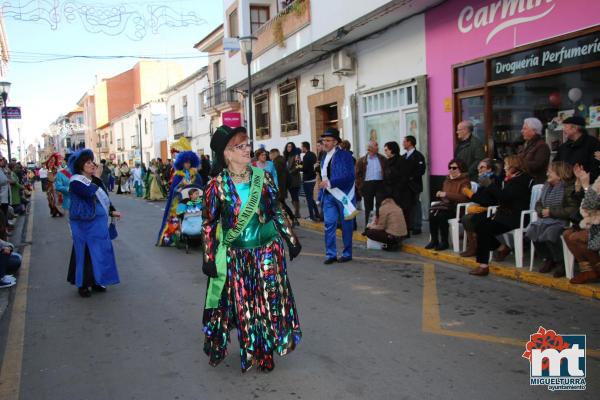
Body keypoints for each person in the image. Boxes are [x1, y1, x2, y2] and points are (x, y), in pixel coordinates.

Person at [201, 125, 302, 372]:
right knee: (246, 307)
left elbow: (276, 210)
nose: (248, 149)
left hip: (267, 252)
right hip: (238, 257)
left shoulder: (263, 177)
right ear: (226, 153)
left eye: (248, 144)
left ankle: (266, 351)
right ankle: (252, 350)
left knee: (269, 301)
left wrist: (290, 238)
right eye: (241, 146)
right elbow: (209, 224)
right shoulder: (216, 186)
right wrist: (209, 257)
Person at [67, 149, 121, 298]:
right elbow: (89, 192)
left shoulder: (95, 180)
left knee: (101, 252)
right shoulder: (76, 181)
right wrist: (96, 178)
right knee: (85, 253)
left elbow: (104, 198)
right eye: (88, 162)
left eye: (92, 162)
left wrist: (112, 211)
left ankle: (99, 280)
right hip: (83, 223)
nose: (92, 165)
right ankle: (83, 284)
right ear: (81, 166)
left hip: (98, 223)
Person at [470, 155, 532, 276]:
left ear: (515, 167)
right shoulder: (509, 179)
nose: (505, 168)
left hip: (515, 217)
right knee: (478, 225)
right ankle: (502, 247)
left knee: (484, 229)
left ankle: (483, 265)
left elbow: (504, 197)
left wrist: (490, 185)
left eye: (507, 165)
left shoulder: (521, 180)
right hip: (504, 214)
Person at [526, 161, 579, 277]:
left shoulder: (568, 188)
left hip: (562, 221)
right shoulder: (546, 186)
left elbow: (572, 209)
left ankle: (560, 261)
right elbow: (539, 203)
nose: (547, 174)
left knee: (550, 234)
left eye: (550, 172)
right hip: (546, 220)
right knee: (531, 231)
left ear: (559, 175)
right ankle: (549, 258)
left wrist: (551, 212)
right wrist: (541, 211)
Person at [319, 128, 357, 264]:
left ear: (335, 142)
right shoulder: (324, 157)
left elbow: (349, 176)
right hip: (329, 196)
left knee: (346, 225)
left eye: (328, 141)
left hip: (343, 195)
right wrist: (320, 195)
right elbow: (324, 177)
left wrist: (330, 182)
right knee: (329, 224)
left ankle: (347, 253)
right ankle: (331, 254)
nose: (325, 143)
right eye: (324, 140)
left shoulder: (345, 156)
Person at [156, 151, 203, 246]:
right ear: (181, 162)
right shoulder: (178, 175)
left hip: (194, 202)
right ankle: (176, 237)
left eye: (189, 162)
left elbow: (200, 187)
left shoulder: (196, 175)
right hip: (180, 202)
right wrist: (180, 187)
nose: (188, 164)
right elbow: (174, 190)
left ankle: (196, 236)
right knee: (176, 217)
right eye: (186, 162)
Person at [563, 165, 600, 284]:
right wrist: (579, 185)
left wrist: (585, 185)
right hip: (593, 221)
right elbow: (584, 205)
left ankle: (596, 269)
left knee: (576, 237)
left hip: (596, 224)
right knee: (567, 234)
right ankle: (588, 271)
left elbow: (590, 204)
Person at [425, 159, 470, 251]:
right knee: (432, 215)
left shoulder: (465, 182)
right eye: (450, 167)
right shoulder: (447, 180)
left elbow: (463, 198)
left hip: (457, 209)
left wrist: (446, 194)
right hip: (446, 206)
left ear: (461, 169)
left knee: (442, 216)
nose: (451, 170)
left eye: (454, 168)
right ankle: (434, 240)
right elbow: (444, 196)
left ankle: (444, 242)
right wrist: (441, 194)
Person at [459, 158, 500, 257]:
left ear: (489, 169)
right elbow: (480, 198)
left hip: (492, 210)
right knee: (467, 217)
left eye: (482, 167)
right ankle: (474, 246)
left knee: (469, 219)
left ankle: (475, 247)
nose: (479, 170)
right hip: (484, 208)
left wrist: (470, 194)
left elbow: (487, 200)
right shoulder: (483, 180)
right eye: (478, 168)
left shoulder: (493, 180)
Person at [555, 115, 600, 182]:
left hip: (585, 185)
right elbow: (555, 164)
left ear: (575, 128)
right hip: (564, 185)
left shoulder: (593, 144)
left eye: (565, 126)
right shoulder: (564, 147)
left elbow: (595, 168)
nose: (563, 129)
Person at [356, 140, 385, 230]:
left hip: (380, 184)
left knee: (380, 206)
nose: (378, 147)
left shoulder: (382, 159)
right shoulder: (362, 160)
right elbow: (357, 174)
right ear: (370, 148)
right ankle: (368, 227)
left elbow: (387, 171)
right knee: (369, 208)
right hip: (367, 185)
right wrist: (360, 186)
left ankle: (379, 226)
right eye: (376, 145)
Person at [383, 141, 412, 233]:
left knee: (402, 212)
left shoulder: (402, 161)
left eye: (387, 150)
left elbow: (404, 177)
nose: (385, 152)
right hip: (390, 192)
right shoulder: (387, 161)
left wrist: (397, 188)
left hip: (401, 192)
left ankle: (403, 231)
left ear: (392, 150)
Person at [402, 135, 427, 235]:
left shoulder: (418, 156)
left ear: (410, 143)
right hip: (405, 187)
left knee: (416, 205)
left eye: (404, 141)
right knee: (407, 206)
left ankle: (417, 226)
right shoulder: (403, 156)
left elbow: (421, 170)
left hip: (414, 186)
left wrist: (410, 177)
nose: (403, 143)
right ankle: (409, 225)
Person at [518, 117, 551, 184]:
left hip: (535, 183)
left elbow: (537, 165)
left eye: (525, 128)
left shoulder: (542, 146)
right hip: (525, 182)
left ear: (534, 130)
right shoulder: (526, 144)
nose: (522, 131)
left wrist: (517, 163)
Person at [270, 148, 297, 225]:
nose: (269, 156)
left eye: (270, 154)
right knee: (281, 204)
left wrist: (277, 187)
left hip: (279, 187)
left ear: (274, 154)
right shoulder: (281, 161)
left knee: (281, 204)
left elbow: (277, 177)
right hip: (283, 187)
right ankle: (291, 218)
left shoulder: (277, 163)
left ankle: (292, 218)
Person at [300, 141, 320, 222]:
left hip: (307, 180)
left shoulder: (306, 156)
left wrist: (298, 167)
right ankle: (317, 214)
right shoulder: (313, 154)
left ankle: (312, 216)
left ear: (305, 147)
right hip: (313, 179)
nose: (301, 148)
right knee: (311, 198)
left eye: (302, 147)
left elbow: (304, 168)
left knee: (309, 199)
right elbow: (310, 166)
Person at [283, 142, 302, 220]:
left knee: (294, 197)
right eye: (287, 147)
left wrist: (289, 172)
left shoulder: (296, 156)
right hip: (286, 180)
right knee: (288, 197)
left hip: (294, 180)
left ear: (293, 147)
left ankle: (297, 212)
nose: (289, 148)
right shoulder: (286, 157)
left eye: (290, 147)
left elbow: (299, 167)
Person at [44, 153, 64, 217]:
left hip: (56, 185)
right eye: (51, 160)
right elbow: (51, 178)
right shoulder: (49, 169)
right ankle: (54, 211)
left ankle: (58, 211)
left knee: (57, 198)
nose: (52, 161)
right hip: (51, 186)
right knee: (52, 199)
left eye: (54, 160)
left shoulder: (57, 168)